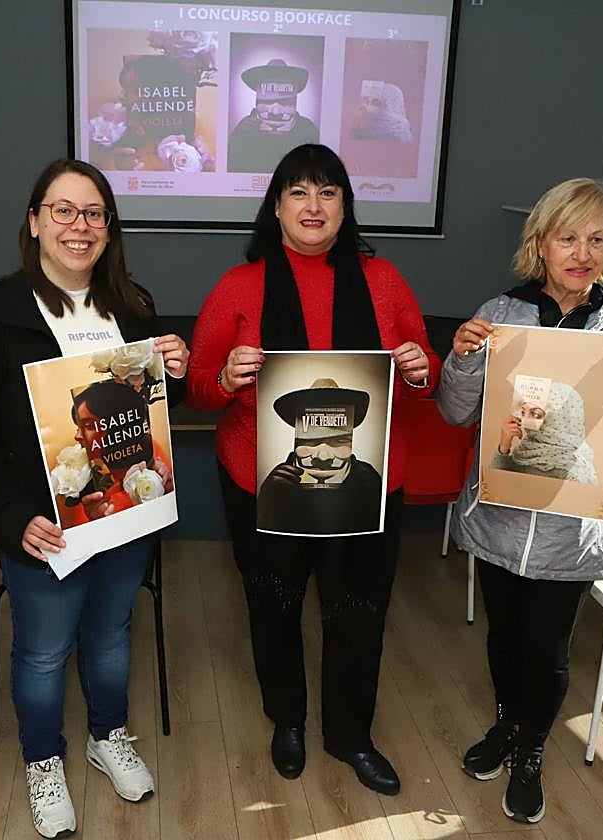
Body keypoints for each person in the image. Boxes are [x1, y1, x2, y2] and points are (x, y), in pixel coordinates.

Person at [0, 159, 189, 839]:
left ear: (109, 228)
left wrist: (177, 372)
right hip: (42, 526)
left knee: (110, 635)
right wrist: (10, 516)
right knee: (44, 654)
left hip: (123, 517)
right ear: (36, 222)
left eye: (94, 213)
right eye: (65, 211)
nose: (80, 226)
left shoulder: (131, 306)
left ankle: (107, 737)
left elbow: (152, 412)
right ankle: (44, 761)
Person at [186, 143, 440, 795]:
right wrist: (224, 375)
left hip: (367, 481)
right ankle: (288, 721)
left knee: (359, 609)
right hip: (262, 480)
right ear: (276, 206)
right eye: (299, 191)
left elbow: (424, 375)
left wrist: (418, 368)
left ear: (345, 206)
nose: (314, 205)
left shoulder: (384, 281)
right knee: (274, 606)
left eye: (328, 192)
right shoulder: (239, 286)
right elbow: (198, 387)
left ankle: (352, 736)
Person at [438, 177, 603, 824]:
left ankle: (531, 750)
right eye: (567, 236)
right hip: (499, 519)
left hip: (572, 531)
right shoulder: (501, 313)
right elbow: (457, 413)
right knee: (504, 639)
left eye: (597, 238)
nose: (583, 251)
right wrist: (460, 362)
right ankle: (506, 726)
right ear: (539, 244)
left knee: (545, 651)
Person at [258, 377, 384, 535]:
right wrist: (270, 503)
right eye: (309, 441)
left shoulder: (368, 480)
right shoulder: (279, 481)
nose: (323, 456)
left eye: (338, 441)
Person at [492, 382, 599, 484]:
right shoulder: (524, 449)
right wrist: (504, 447)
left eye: (536, 414)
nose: (524, 421)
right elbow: (493, 487)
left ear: (560, 418)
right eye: (523, 412)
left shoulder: (572, 469)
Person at [228, 59, 321, 173]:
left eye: (284, 101)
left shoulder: (307, 129)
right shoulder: (244, 129)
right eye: (267, 100)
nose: (275, 111)